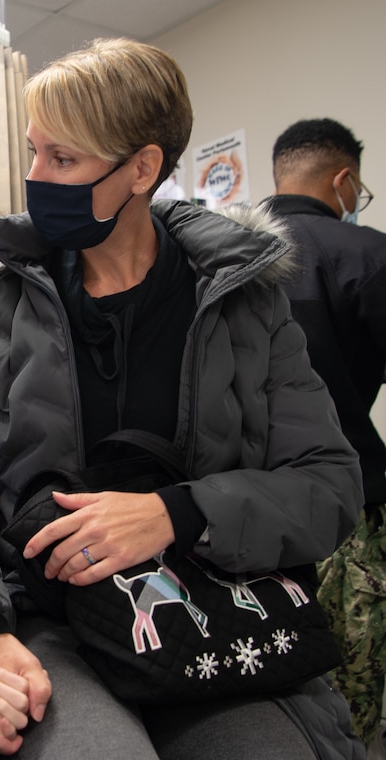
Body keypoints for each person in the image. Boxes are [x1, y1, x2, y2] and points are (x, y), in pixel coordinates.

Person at [0, 38, 366, 760]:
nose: (34, 178)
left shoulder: (244, 300)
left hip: (211, 614)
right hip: (51, 625)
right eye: (33, 153)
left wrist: (174, 514)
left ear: (142, 168)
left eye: (63, 160)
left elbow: (328, 485)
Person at [264, 117, 386, 748]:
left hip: (242, 505)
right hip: (349, 499)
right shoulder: (367, 256)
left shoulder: (218, 250)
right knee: (353, 663)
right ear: (343, 180)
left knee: (269, 660)